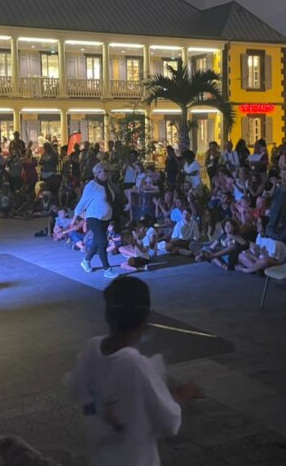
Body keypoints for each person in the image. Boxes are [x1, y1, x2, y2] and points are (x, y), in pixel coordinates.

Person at [67, 277, 202, 466]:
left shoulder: (91, 348)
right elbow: (168, 421)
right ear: (144, 324)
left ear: (108, 316)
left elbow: (75, 386)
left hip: (100, 458)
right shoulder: (136, 365)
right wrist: (180, 396)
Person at [75, 162, 118, 278]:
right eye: (105, 171)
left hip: (105, 218)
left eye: (108, 171)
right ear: (97, 173)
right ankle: (107, 269)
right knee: (103, 242)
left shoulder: (107, 184)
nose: (108, 173)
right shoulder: (92, 186)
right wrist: (76, 216)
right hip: (94, 217)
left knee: (97, 241)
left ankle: (86, 261)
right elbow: (83, 202)